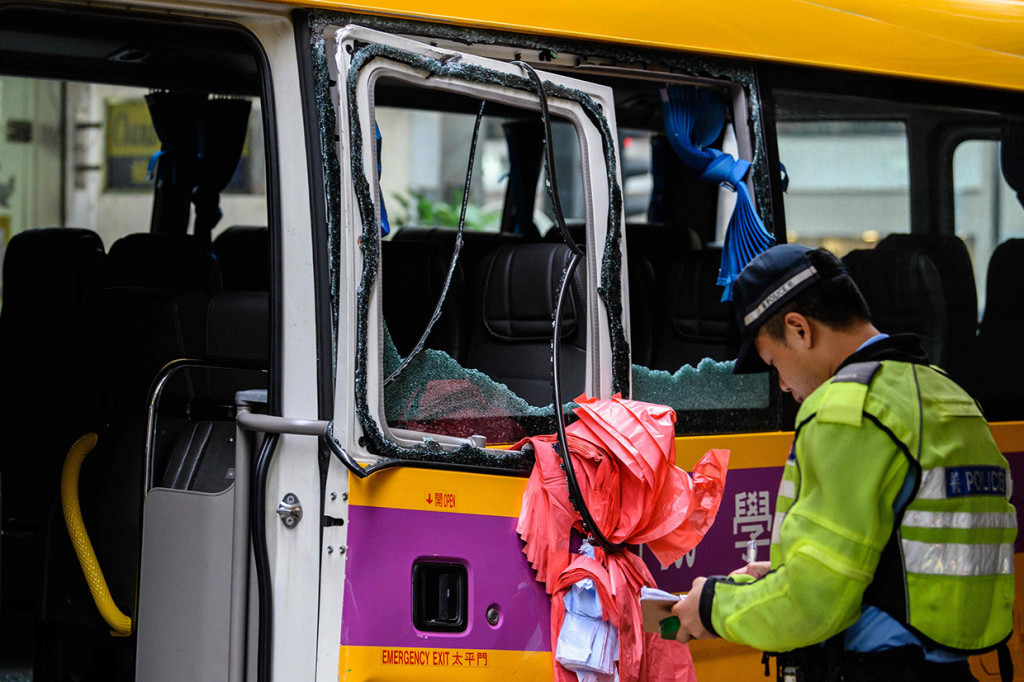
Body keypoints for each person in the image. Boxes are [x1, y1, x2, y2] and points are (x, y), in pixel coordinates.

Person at [670, 244, 1016, 681]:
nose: (782, 385)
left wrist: (711, 606)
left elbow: (812, 605)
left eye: (774, 362)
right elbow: (906, 561)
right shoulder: (947, 393)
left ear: (799, 329)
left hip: (882, 670)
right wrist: (785, 576)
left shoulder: (847, 408)